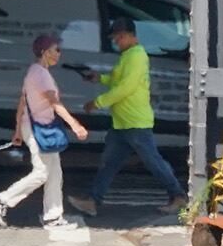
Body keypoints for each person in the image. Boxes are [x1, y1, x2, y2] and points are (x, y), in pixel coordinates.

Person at [69, 16, 189, 216]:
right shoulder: (128, 56)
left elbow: (126, 88)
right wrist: (101, 78)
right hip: (123, 123)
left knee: (153, 161)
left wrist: (97, 102)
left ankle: (178, 196)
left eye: (117, 38)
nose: (116, 42)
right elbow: (119, 81)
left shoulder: (136, 56)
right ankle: (92, 200)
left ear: (125, 35)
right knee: (109, 163)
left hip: (135, 123)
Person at [0, 33, 88, 228]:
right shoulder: (41, 75)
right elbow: (55, 103)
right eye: (56, 50)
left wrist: (18, 129)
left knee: (55, 173)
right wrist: (75, 125)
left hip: (34, 127)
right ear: (44, 52)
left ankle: (53, 216)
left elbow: (22, 102)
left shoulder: (34, 71)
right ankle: (3, 199)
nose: (59, 54)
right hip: (38, 130)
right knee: (42, 172)